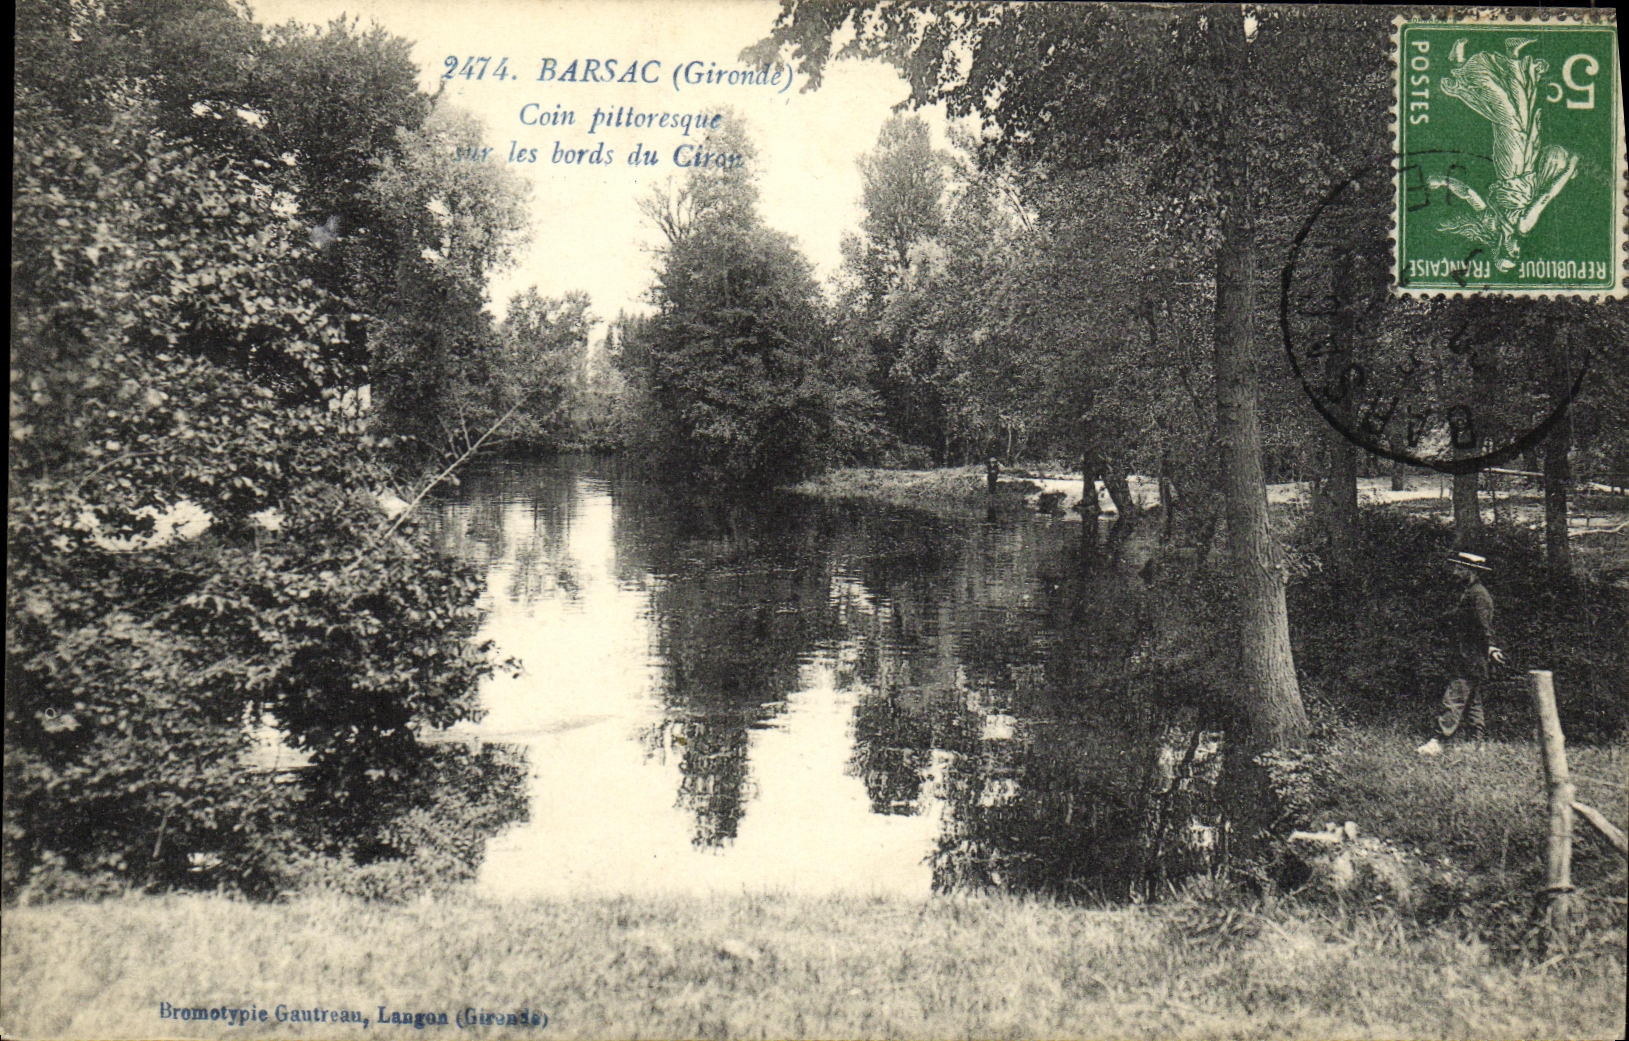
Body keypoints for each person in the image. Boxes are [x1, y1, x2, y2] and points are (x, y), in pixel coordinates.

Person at [1418, 551, 1507, 755]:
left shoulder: (1478, 595)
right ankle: (1478, 744)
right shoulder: (1469, 592)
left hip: (1471, 657)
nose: (1455, 572)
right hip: (1466, 655)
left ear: (1471, 571)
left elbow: (1484, 626)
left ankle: (1439, 741)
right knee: (1473, 700)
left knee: (1454, 698)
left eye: (1460, 569)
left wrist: (1491, 647)